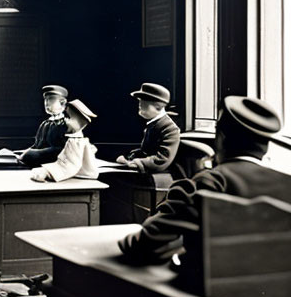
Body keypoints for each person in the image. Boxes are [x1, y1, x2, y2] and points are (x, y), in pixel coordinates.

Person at [119, 95, 291, 265]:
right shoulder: (287, 183)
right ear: (265, 148)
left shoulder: (210, 182)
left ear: (221, 139)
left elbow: (146, 242)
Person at [115, 82, 180, 173]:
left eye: (144, 102)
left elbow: (161, 160)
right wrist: (129, 157)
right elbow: (145, 151)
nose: (140, 104)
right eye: (140, 101)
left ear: (158, 106)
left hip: (158, 177)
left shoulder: (170, 129)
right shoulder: (153, 124)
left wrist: (136, 162)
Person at [30, 100, 99, 182]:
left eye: (69, 118)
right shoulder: (72, 138)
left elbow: (70, 165)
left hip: (76, 171)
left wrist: (48, 172)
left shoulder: (76, 141)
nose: (65, 121)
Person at [19, 85, 69, 167]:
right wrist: (27, 151)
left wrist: (32, 153)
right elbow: (37, 145)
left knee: (29, 156)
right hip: (41, 154)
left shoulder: (64, 124)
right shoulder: (45, 123)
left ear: (62, 102)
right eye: (45, 99)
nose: (46, 103)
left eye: (51, 99)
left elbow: (62, 148)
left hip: (55, 158)